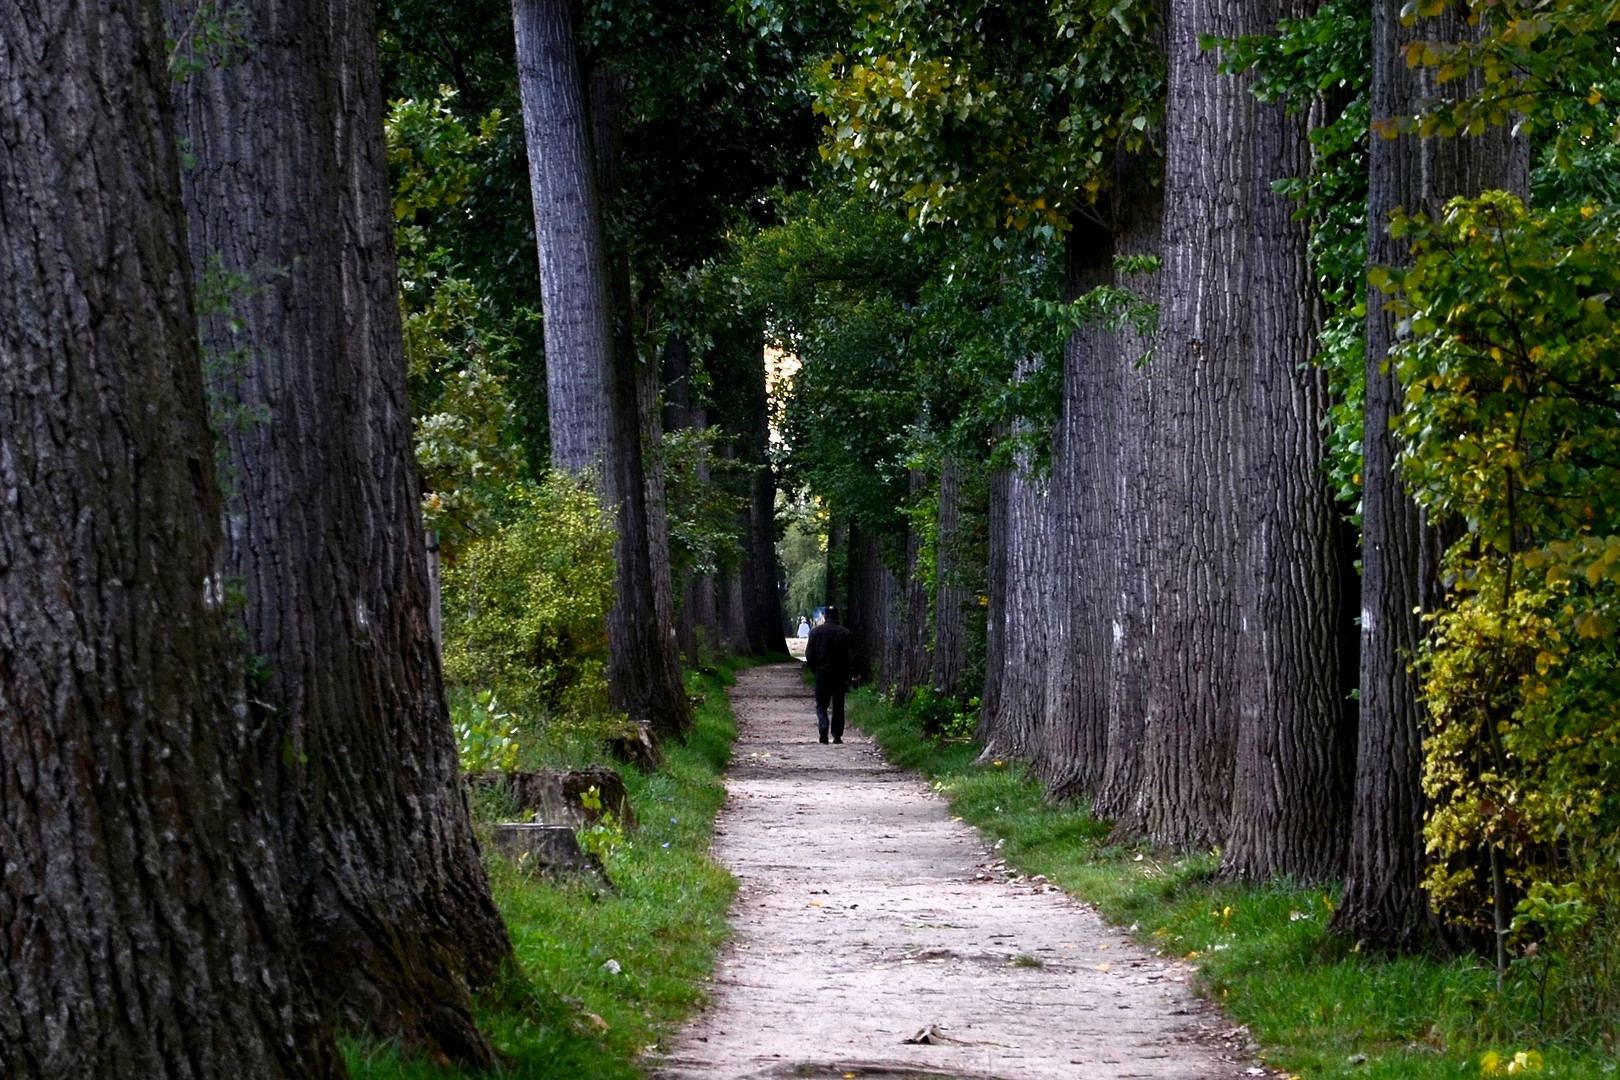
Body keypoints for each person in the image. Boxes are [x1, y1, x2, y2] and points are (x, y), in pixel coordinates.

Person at [804, 604, 854, 744]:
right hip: (840, 674)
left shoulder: (815, 632)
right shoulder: (845, 633)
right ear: (838, 616)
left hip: (822, 673)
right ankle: (837, 735)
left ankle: (823, 724)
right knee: (838, 705)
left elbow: (809, 653)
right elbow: (851, 656)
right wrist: (853, 673)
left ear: (825, 616)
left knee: (821, 704)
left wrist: (814, 668)